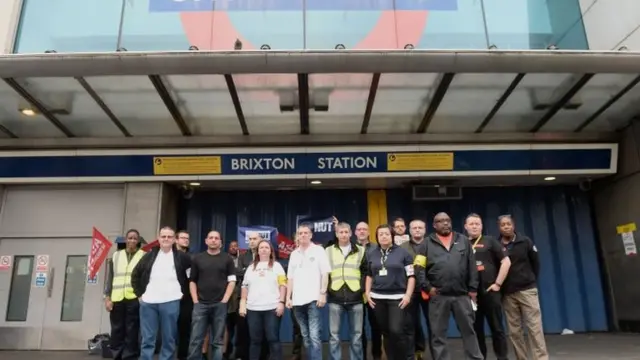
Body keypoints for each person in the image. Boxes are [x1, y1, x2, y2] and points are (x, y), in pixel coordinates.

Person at [418, 212, 483, 360]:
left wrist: (473, 289)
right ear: (434, 225)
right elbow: (419, 269)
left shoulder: (463, 240)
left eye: (448, 220)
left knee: (469, 331)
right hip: (438, 296)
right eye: (441, 221)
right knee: (438, 334)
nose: (445, 223)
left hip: (462, 296)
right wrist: (427, 288)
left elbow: (472, 266)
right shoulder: (426, 244)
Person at [131, 226, 192, 360]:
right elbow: (135, 274)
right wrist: (139, 294)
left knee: (169, 338)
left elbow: (191, 278)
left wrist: (183, 294)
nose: (166, 239)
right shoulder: (149, 255)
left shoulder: (182, 257)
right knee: (147, 339)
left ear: (174, 240)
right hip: (148, 303)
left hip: (171, 302)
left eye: (169, 237)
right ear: (158, 238)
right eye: (163, 236)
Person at [497, 215, 548, 360]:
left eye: (509, 224)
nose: (506, 227)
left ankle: (541, 358)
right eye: (503, 225)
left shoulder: (525, 241)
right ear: (499, 228)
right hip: (508, 294)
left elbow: (535, 263)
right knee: (514, 331)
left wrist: (529, 280)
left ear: (514, 225)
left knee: (534, 328)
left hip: (527, 291)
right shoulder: (497, 245)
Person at [365, 224, 415, 360]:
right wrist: (367, 293)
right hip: (377, 298)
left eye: (386, 233)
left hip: (398, 298)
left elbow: (411, 276)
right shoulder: (371, 253)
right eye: (380, 234)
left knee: (396, 331)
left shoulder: (403, 253)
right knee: (385, 332)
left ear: (392, 236)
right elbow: (369, 275)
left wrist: (408, 295)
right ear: (377, 237)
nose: (383, 236)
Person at [464, 214, 510, 360]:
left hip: (490, 293)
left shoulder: (490, 241)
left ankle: (502, 357)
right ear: (465, 226)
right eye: (471, 224)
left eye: (477, 223)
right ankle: (480, 357)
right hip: (471, 295)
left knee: (497, 328)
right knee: (476, 330)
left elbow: (506, 262)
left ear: (482, 226)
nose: (474, 226)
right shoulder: (461, 243)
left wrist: (497, 284)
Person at [188, 230, 237, 360]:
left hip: (219, 305)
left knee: (218, 341)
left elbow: (232, 281)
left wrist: (224, 300)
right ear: (206, 241)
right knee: (195, 340)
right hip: (201, 305)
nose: (213, 240)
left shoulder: (227, 259)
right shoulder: (197, 258)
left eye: (216, 238)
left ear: (220, 242)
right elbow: (192, 281)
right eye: (211, 238)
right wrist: (195, 301)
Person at [286, 224, 331, 360]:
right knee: (305, 336)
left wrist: (323, 293)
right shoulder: (294, 254)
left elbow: (325, 273)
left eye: (306, 233)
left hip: (313, 299)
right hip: (297, 301)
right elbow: (290, 278)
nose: (303, 235)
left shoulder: (318, 250)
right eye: (300, 233)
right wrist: (288, 297)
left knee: (314, 335)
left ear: (311, 235)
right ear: (297, 236)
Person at [239, 239, 287, 360]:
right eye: (261, 247)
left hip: (272, 308)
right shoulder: (250, 268)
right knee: (255, 340)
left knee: (273, 339)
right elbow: (244, 286)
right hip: (253, 309)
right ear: (257, 251)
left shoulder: (277, 266)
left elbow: (283, 285)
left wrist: (281, 302)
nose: (264, 249)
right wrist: (242, 303)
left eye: (267, 247)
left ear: (271, 251)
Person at [326, 222, 367, 360]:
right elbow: (324, 273)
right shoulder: (328, 250)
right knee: (334, 336)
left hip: (356, 298)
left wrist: (361, 289)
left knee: (356, 336)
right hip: (335, 298)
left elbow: (365, 272)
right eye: (340, 232)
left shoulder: (361, 250)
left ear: (350, 233)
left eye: (346, 232)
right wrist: (328, 290)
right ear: (336, 234)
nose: (343, 234)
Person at [104, 229, 145, 360]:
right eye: (130, 238)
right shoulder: (116, 256)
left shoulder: (143, 256)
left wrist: (142, 296)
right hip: (117, 299)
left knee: (132, 330)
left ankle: (130, 356)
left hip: (134, 298)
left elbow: (145, 278)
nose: (132, 240)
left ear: (138, 241)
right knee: (117, 329)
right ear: (125, 240)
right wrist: (107, 297)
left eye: (135, 238)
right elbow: (110, 278)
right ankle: (116, 355)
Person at [400, 219, 432, 360]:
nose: (417, 230)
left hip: (429, 291)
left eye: (420, 227)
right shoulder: (402, 247)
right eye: (414, 228)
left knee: (433, 325)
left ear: (425, 230)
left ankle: (437, 354)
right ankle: (413, 354)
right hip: (410, 291)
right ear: (410, 230)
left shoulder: (433, 245)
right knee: (410, 325)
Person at [238, 233, 271, 360]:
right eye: (250, 239)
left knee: (265, 333)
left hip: (265, 300)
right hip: (247, 299)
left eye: (254, 239)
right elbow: (239, 273)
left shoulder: (267, 256)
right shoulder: (243, 256)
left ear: (261, 241)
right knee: (245, 330)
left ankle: (264, 356)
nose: (252, 241)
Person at [354, 221, 382, 360]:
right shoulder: (351, 248)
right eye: (359, 229)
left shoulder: (377, 248)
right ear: (355, 232)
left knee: (376, 326)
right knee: (359, 329)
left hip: (374, 292)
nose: (362, 231)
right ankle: (362, 356)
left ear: (369, 232)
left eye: (364, 229)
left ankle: (377, 355)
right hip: (357, 293)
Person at [176, 230, 193, 360]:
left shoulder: (191, 258)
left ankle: (182, 356)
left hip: (186, 299)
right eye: (182, 238)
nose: (185, 240)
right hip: (169, 298)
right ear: (176, 240)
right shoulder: (169, 256)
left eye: (187, 238)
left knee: (184, 330)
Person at [224, 240, 242, 360]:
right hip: (228, 299)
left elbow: (242, 273)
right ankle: (226, 352)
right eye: (231, 246)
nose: (234, 248)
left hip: (240, 299)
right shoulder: (224, 259)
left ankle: (238, 354)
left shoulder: (243, 259)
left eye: (236, 246)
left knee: (240, 329)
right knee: (227, 328)